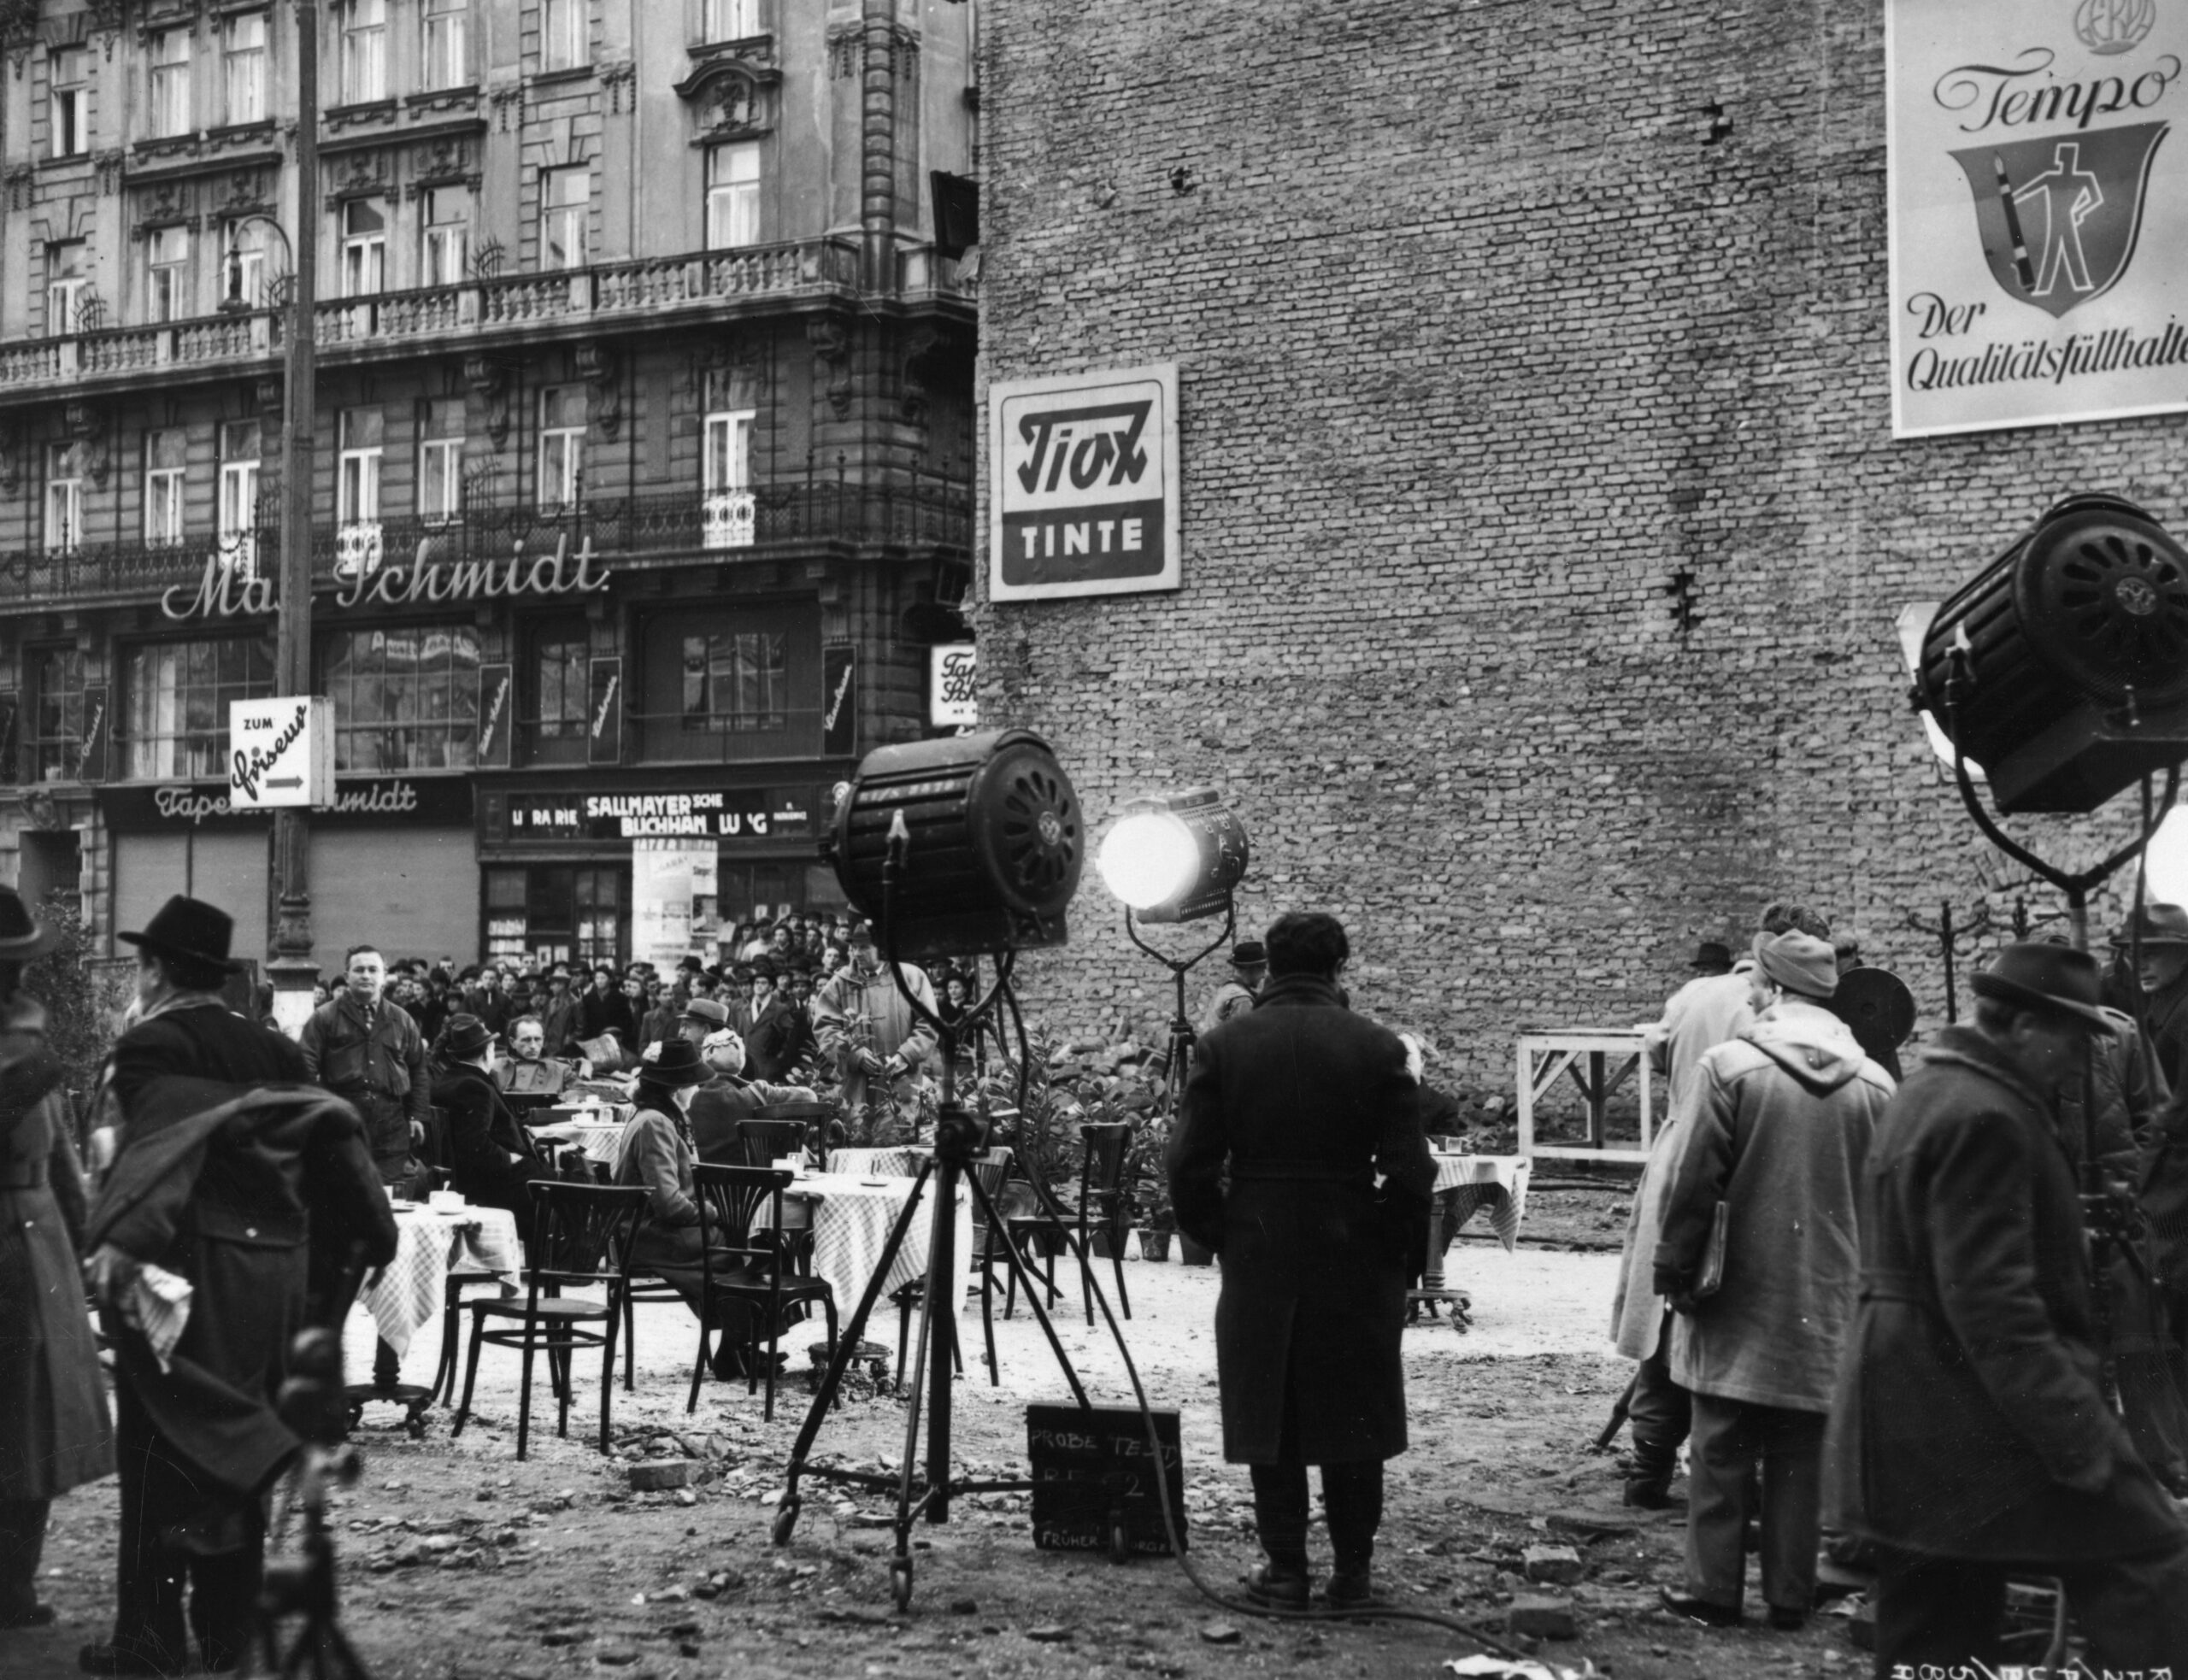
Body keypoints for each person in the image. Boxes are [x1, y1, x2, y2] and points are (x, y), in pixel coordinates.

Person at [1831, 943, 2188, 1672]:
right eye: (2073, 1039)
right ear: (2023, 1027)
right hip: (1960, 1421)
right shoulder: (1989, 1116)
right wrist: (2087, 1440)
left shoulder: (1930, 1091)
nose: (2082, 1061)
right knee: (2146, 1555)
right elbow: (1995, 1309)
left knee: (1934, 1633)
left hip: (1911, 1417)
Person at [82, 896, 395, 1677]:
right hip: (272, 1276)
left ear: (155, 972)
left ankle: (150, 1641)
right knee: (239, 1440)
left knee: (157, 1449)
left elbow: (117, 1167)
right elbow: (329, 1170)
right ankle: (228, 1629)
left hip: (178, 1273)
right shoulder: (278, 1052)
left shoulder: (143, 1050)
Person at [1168, 911, 1433, 1608]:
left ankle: (1285, 1572)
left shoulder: (1225, 1046)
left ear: (1271, 968)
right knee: (1355, 1416)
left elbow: (1187, 1166)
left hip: (1260, 1246)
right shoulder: (1378, 1048)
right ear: (1338, 967)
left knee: (1270, 1408)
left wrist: (1226, 1236)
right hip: (1353, 1246)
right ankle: (1353, 1575)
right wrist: (1387, 1247)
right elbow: (1412, 1172)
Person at [1650, 930, 1893, 1630]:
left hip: (1737, 1285)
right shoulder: (1877, 1086)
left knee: (1721, 1440)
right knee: (1803, 1446)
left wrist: (1673, 1267)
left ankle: (1712, 1590)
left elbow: (1694, 1181)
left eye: (1757, 981)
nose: (1750, 992)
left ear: (1774, 990)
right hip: (1830, 1292)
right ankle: (1790, 1593)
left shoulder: (1730, 1068)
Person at [1611, 900, 1831, 1507]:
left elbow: (1657, 1052)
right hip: (1758, 1167)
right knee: (1747, 1320)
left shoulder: (1696, 994)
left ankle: (1649, 1467)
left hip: (1682, 1152)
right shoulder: (1792, 1013)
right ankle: (1744, 1474)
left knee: (1669, 1322)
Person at [0, 889, 111, 1634]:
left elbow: (65, 1156)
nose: (20, 979)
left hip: (38, 1243)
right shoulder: (26, 1053)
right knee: (20, 1420)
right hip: (19, 1248)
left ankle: (11, 1587)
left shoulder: (32, 1046)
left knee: (31, 1422)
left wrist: (89, 1237)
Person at [299, 943, 430, 1197]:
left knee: (389, 1196)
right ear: (347, 976)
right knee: (342, 1194)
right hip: (341, 1121)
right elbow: (304, 1065)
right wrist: (318, 1111)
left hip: (390, 1124)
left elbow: (418, 1070)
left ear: (384, 975)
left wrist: (417, 1116)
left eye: (373, 970)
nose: (366, 975)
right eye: (359, 970)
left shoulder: (402, 1019)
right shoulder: (325, 1018)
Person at [435, 1014, 559, 1219]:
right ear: (487, 1052)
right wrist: (508, 1157)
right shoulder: (473, 1086)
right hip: (493, 1183)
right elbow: (474, 1142)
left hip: (471, 1176)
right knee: (570, 1186)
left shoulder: (449, 1079)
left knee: (556, 1177)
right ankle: (558, 1239)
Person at [813, 920, 938, 1114]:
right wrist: (854, 1055)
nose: (857, 953)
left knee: (901, 1126)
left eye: (864, 947)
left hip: (903, 1084)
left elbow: (929, 1025)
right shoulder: (840, 982)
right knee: (859, 1126)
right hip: (856, 1089)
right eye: (854, 947)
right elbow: (825, 1028)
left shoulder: (912, 977)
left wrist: (905, 1056)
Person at [689, 1028, 809, 1163]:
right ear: (742, 1059)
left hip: (708, 1175)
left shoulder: (693, 1099)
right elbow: (808, 1096)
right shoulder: (756, 1092)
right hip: (753, 1175)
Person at [2120, 903, 2188, 1089]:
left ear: (2184, 955)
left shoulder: (2183, 1010)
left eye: (2150, 955)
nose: (2140, 966)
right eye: (2133, 956)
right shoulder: (2163, 998)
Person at [1196, 941, 1268, 1038]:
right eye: (1262, 969)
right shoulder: (1242, 1000)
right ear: (1250, 969)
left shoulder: (1227, 989)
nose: (1263, 975)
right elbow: (1244, 1040)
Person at [578, 966, 636, 1044]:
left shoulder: (620, 998)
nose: (599, 981)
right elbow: (585, 1022)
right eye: (597, 978)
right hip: (594, 1038)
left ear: (610, 979)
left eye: (603, 978)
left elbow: (627, 1022)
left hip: (614, 1039)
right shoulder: (587, 999)